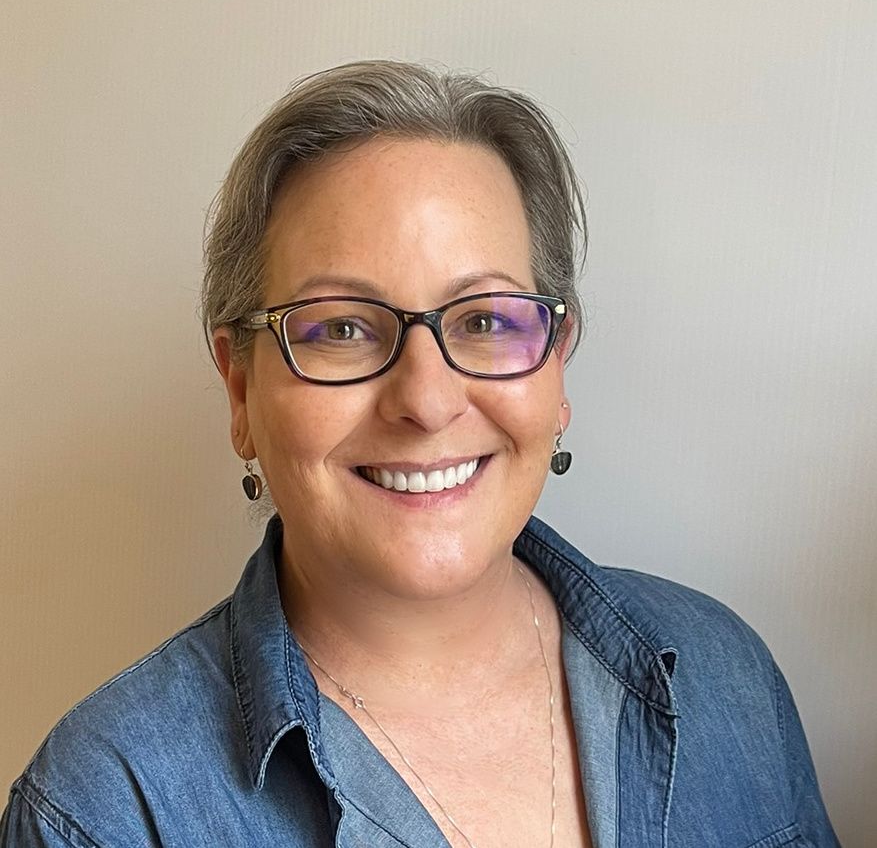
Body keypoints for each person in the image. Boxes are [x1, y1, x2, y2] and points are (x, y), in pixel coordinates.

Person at [1, 60, 839, 848]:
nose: (427, 401)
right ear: (240, 393)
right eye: (340, 328)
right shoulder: (107, 806)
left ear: (555, 368)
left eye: (482, 320)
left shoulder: (722, 674)